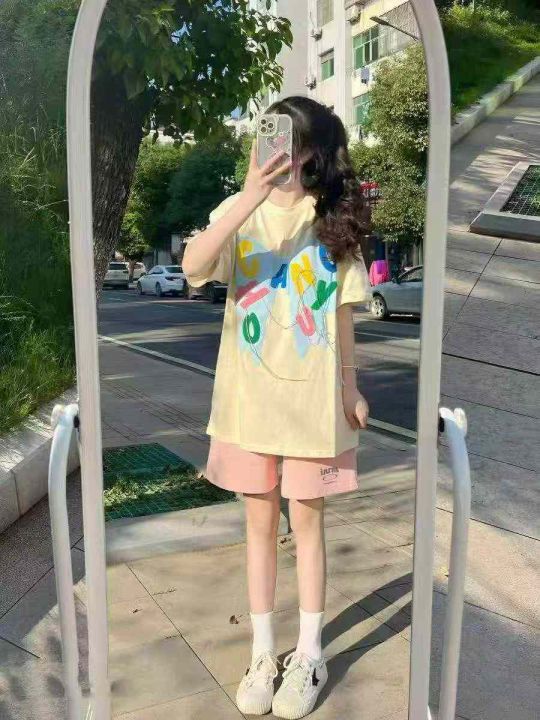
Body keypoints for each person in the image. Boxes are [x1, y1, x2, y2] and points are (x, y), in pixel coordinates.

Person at [182, 96, 371, 719]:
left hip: (312, 407)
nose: (281, 152)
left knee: (308, 524)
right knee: (258, 526)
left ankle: (309, 654)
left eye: (293, 141)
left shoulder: (331, 219)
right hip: (247, 403)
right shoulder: (237, 212)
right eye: (271, 136)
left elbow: (343, 316)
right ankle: (263, 653)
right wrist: (247, 198)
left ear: (312, 151)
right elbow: (194, 268)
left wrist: (350, 389)